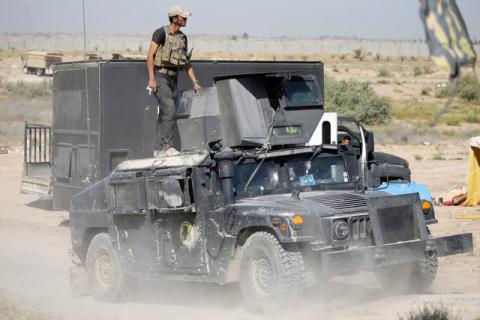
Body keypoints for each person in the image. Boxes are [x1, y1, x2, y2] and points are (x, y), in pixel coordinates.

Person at [147, 5, 202, 153]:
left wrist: (195, 82)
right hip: (160, 76)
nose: (185, 19)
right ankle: (167, 147)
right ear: (175, 19)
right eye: (183, 17)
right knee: (169, 110)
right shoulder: (160, 33)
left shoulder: (182, 38)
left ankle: (158, 149)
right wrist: (152, 79)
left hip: (173, 79)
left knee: (166, 112)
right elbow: (150, 56)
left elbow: (186, 63)